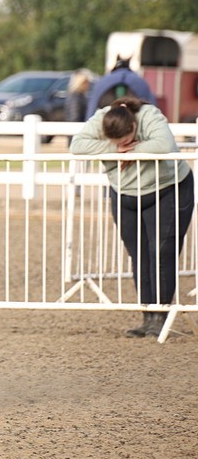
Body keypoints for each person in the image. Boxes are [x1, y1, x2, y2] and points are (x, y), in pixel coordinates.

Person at [70, 97, 194, 338]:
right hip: (126, 193)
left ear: (134, 126)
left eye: (127, 140)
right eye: (118, 142)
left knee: (161, 252)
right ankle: (147, 316)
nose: (123, 145)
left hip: (168, 188)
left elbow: (163, 145)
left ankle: (160, 316)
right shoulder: (102, 118)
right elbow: (77, 145)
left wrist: (133, 150)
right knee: (138, 254)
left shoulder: (149, 115)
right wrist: (114, 149)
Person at [86, 57, 156, 119]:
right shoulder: (140, 81)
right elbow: (152, 106)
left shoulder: (102, 81)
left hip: (107, 119)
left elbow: (92, 107)